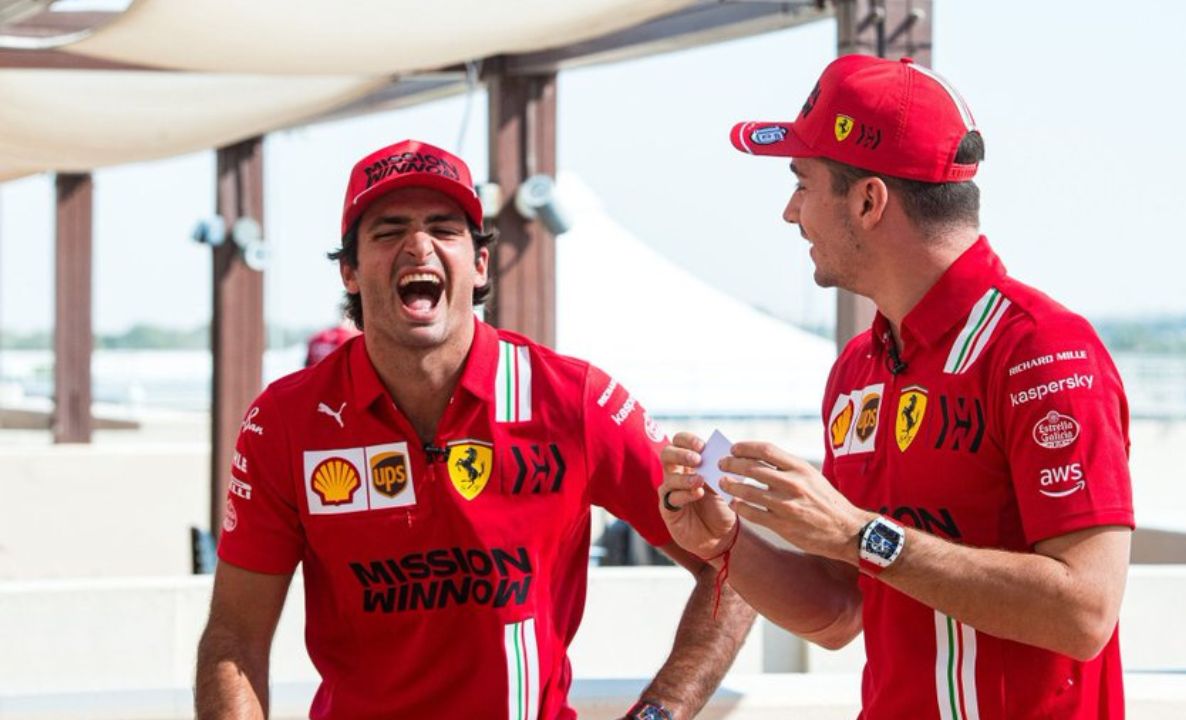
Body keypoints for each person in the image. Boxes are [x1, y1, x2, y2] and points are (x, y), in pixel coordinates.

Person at [195, 139, 754, 720]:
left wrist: (658, 714)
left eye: (444, 228)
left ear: (480, 262)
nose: (419, 246)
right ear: (351, 272)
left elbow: (735, 568)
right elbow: (234, 639)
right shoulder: (284, 420)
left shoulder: (574, 399)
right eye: (388, 232)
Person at [659, 55, 1133, 719]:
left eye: (803, 182)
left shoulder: (1042, 350)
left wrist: (860, 535)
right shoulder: (859, 366)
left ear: (868, 200)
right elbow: (839, 614)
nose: (790, 212)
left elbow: (1085, 613)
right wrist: (726, 544)